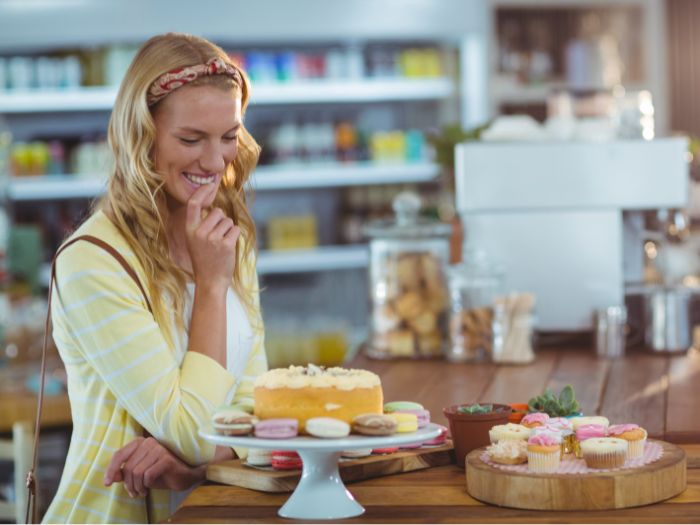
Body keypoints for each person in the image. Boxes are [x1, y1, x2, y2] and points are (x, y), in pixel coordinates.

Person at [42, 33, 268, 524]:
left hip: (216, 511)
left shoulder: (228, 240)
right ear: (141, 135)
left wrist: (196, 469)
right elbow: (194, 433)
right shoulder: (92, 261)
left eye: (229, 137)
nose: (214, 162)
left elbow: (258, 413)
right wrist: (211, 287)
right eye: (191, 139)